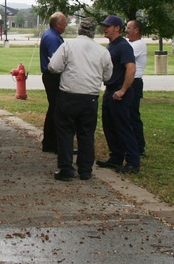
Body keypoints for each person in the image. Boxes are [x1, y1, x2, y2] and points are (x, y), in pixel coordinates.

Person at [46, 17, 112, 181]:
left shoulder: (68, 45)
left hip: (68, 94)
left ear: (79, 30)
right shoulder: (102, 51)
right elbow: (108, 75)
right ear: (94, 32)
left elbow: (53, 67)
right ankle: (85, 170)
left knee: (65, 132)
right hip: (90, 97)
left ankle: (66, 168)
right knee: (86, 133)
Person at [97, 15, 141, 173]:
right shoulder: (111, 46)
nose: (105, 28)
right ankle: (116, 158)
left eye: (108, 26)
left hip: (120, 92)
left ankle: (133, 162)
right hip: (110, 90)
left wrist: (122, 90)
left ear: (117, 28)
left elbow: (131, 69)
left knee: (123, 127)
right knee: (110, 127)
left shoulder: (123, 46)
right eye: (104, 25)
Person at [39, 12, 67, 153]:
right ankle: (53, 144)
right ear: (58, 24)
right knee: (57, 110)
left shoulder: (49, 34)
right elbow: (55, 62)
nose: (66, 25)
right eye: (64, 23)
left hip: (50, 76)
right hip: (53, 77)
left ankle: (49, 143)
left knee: (53, 109)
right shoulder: (53, 38)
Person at [126, 19, 148, 156]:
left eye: (129, 28)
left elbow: (124, 57)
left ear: (136, 30)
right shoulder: (131, 44)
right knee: (128, 115)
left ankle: (139, 147)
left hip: (135, 83)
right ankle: (132, 144)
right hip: (131, 82)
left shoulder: (138, 45)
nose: (126, 30)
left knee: (133, 116)